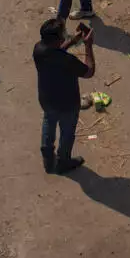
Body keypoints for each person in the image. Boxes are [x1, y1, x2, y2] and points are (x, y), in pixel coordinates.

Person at [32, 21, 94, 174]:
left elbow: (56, 51)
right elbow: (89, 72)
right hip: (68, 104)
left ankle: (48, 159)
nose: (65, 34)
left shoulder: (38, 49)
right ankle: (63, 161)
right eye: (63, 33)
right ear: (56, 40)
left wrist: (72, 41)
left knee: (48, 123)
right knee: (67, 133)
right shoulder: (67, 61)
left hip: (46, 99)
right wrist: (88, 45)